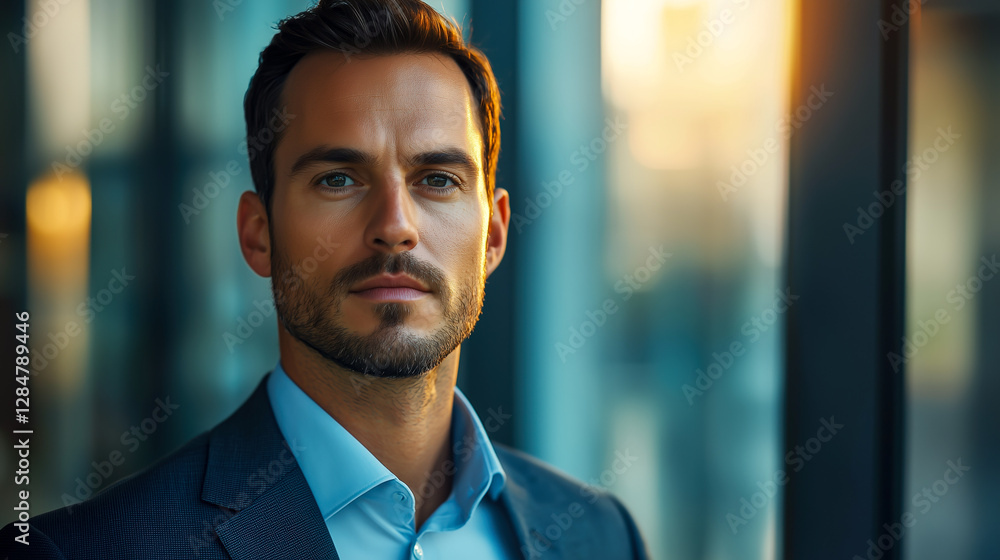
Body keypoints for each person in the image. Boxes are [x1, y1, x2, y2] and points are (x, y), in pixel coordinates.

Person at [1, 1, 649, 558]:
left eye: (437, 179)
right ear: (259, 234)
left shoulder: (600, 536)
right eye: (338, 179)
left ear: (495, 235)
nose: (395, 226)